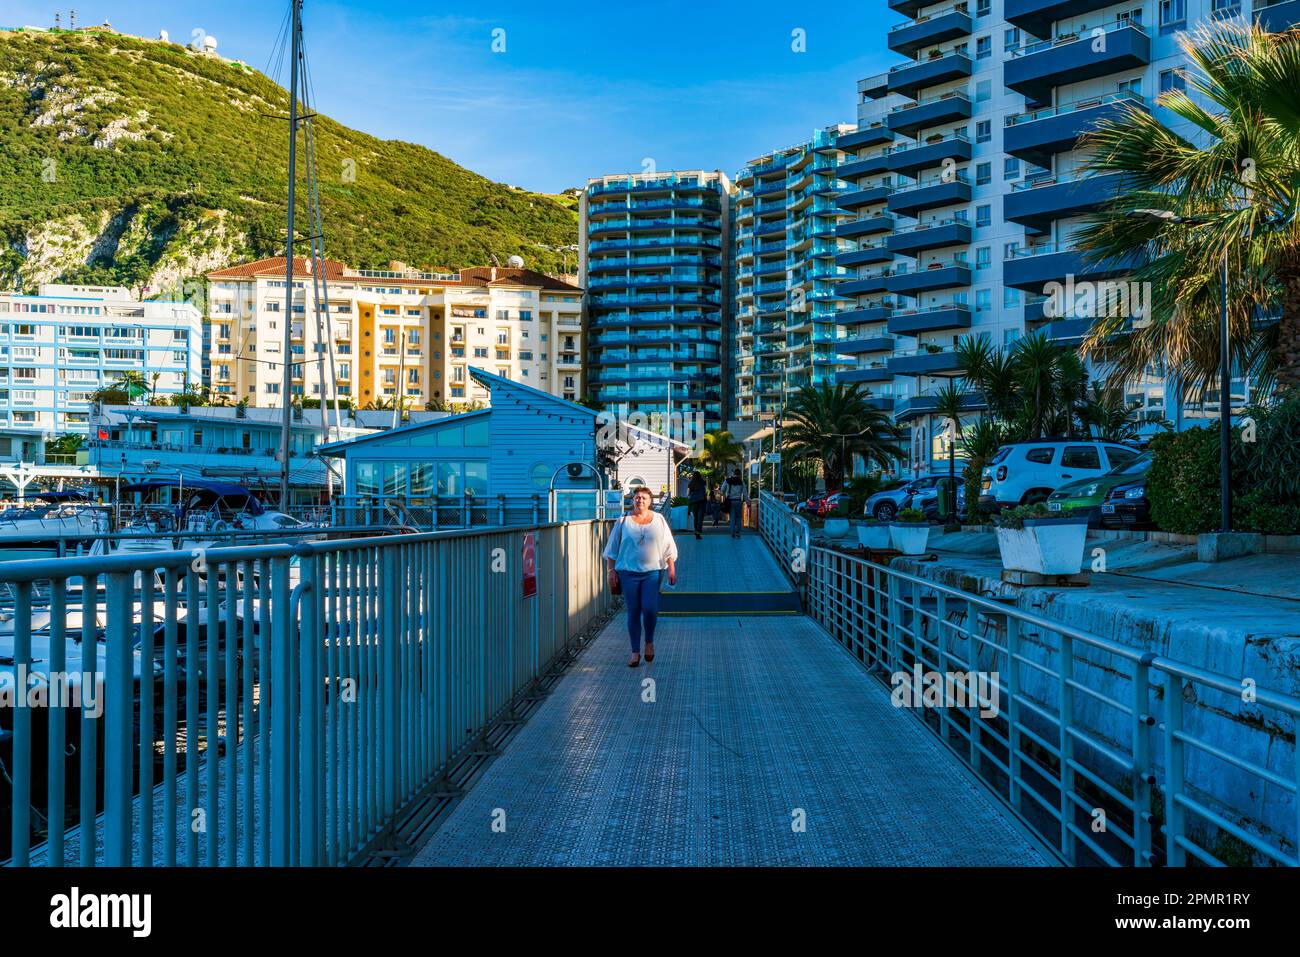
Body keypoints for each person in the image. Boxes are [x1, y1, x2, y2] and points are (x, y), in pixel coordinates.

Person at [604, 487, 678, 667]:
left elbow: (668, 545)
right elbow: (612, 549)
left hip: (652, 572)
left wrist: (671, 569)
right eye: (637, 497)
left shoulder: (659, 519)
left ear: (650, 501)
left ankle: (649, 642)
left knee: (650, 609)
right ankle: (635, 652)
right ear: (633, 500)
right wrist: (611, 571)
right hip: (628, 573)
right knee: (633, 611)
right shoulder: (623, 521)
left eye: (644, 498)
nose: (640, 501)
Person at [724, 468, 745, 539]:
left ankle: (732, 532)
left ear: (734, 474)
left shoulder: (727, 481)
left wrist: (724, 495)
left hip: (730, 501)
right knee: (739, 517)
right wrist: (748, 501)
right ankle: (738, 532)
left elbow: (722, 490)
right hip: (738, 501)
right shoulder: (741, 482)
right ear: (739, 475)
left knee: (732, 517)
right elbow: (745, 493)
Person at [686, 471, 707, 540]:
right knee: (700, 518)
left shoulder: (691, 483)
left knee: (696, 517)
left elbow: (687, 493)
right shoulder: (703, 482)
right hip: (702, 502)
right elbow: (705, 491)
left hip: (694, 502)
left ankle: (696, 531)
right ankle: (698, 532)